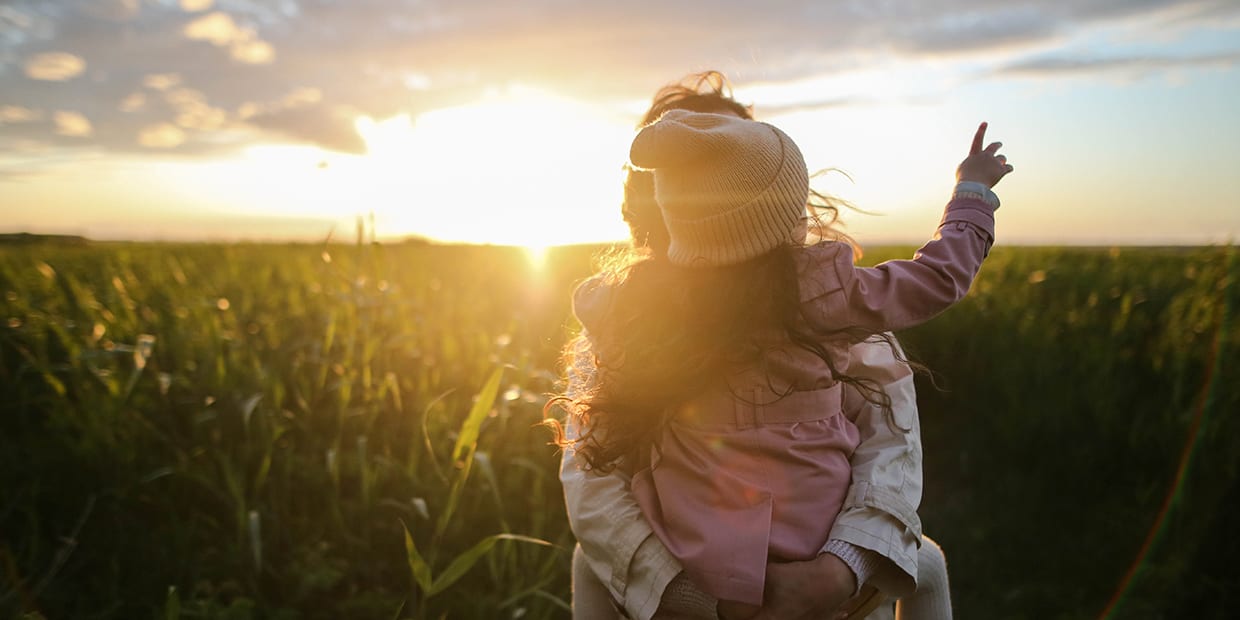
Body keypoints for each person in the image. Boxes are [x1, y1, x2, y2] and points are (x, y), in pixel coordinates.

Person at [553, 73, 1010, 618]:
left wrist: (835, 570)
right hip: (790, 547)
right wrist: (971, 197)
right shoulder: (829, 294)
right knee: (926, 564)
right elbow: (938, 279)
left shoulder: (631, 306)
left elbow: (889, 438)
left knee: (590, 561)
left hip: (712, 556)